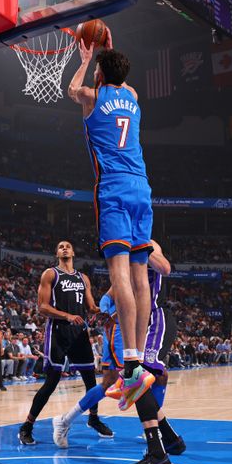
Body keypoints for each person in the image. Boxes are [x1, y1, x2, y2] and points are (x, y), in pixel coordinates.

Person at [68, 33, 157, 421]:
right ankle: (137, 363)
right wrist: (108, 56)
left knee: (118, 273)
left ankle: (132, 367)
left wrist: (87, 58)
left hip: (115, 191)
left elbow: (72, 88)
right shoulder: (134, 97)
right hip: (143, 189)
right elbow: (122, 80)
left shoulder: (92, 97)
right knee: (140, 277)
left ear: (102, 74)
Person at [52, 239, 183, 464]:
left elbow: (165, 268)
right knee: (128, 379)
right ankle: (162, 442)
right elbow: (108, 297)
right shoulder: (120, 252)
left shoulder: (147, 243)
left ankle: (163, 442)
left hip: (150, 320)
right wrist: (106, 314)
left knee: (144, 377)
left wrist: (141, 249)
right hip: (123, 328)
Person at [18, 241, 112, 446]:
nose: (64, 248)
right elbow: (42, 306)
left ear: (74, 251)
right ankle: (27, 426)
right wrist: (67, 316)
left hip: (79, 333)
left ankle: (93, 418)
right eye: (60, 246)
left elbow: (90, 306)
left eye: (68, 245)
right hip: (58, 331)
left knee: (90, 381)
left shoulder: (82, 278)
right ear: (56, 252)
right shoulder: (50, 274)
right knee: (51, 383)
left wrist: (103, 311)